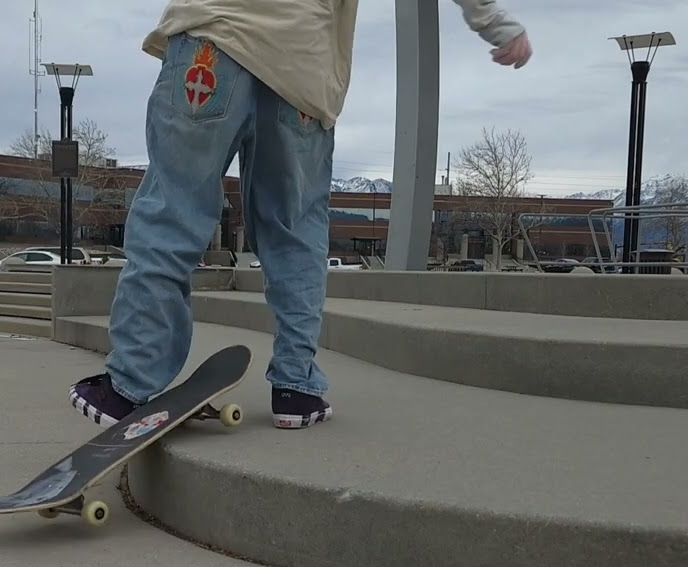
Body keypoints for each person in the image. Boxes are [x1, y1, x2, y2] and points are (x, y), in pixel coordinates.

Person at [70, 0, 532, 430]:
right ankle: (296, 387)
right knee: (293, 234)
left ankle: (128, 385)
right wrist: (496, 24)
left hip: (211, 41)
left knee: (173, 210)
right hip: (301, 69)